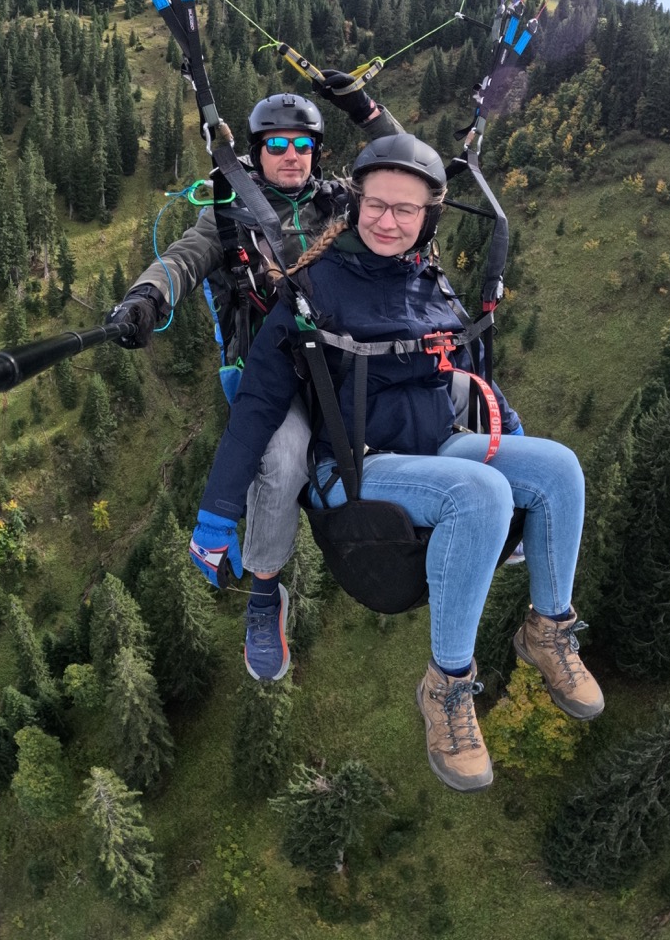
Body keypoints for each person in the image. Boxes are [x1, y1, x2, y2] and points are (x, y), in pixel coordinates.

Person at [194, 133, 603, 792]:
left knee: (557, 468)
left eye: (406, 211)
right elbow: (259, 407)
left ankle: (548, 629)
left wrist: (507, 421)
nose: (389, 221)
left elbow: (464, 372)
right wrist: (217, 513)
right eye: (376, 206)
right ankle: (446, 687)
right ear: (355, 205)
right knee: (484, 496)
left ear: (427, 218)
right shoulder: (313, 289)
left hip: (435, 443)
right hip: (355, 466)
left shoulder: (428, 281)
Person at [107, 79, 401, 679]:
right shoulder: (230, 215)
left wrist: (367, 110)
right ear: (258, 151)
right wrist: (144, 298)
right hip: (267, 376)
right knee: (286, 460)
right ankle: (266, 597)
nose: (291, 155)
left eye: (302, 144)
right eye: (277, 145)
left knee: (416, 408)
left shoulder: (340, 204)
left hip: (340, 359)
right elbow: (182, 260)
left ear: (316, 151)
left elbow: (410, 175)